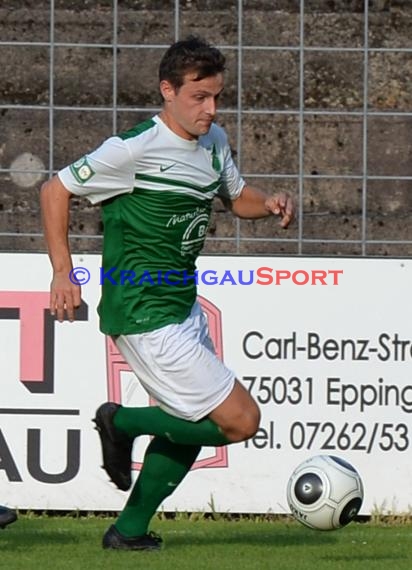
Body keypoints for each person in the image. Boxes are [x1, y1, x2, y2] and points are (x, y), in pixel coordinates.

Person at [40, 35, 295, 551]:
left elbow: (234, 197)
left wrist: (266, 202)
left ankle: (128, 531)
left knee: (190, 419)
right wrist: (63, 272)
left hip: (181, 305)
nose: (211, 108)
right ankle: (122, 420)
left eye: (217, 96)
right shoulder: (133, 148)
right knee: (240, 420)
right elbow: (55, 189)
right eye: (199, 97)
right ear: (168, 91)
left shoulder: (214, 140)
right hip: (141, 310)